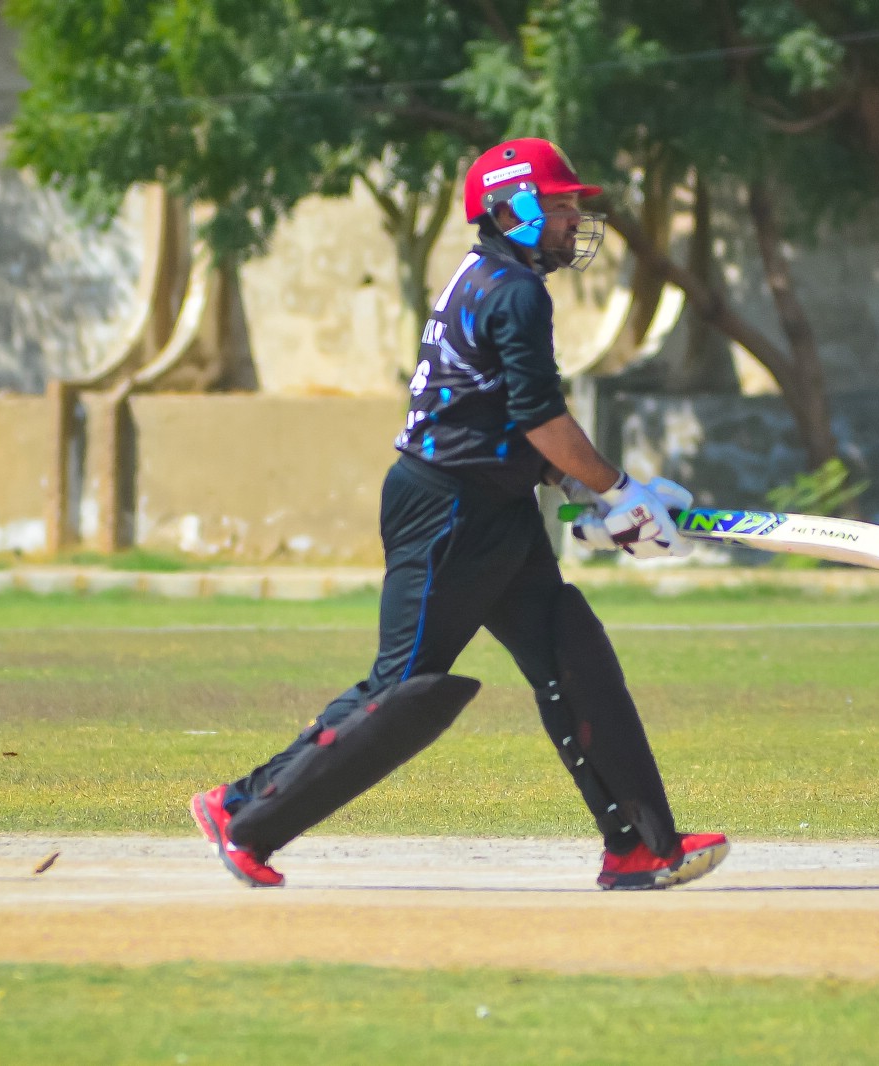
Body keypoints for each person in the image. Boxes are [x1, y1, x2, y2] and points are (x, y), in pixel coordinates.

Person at [190, 137, 728, 891]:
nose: (575, 220)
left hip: (495, 504)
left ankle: (640, 845)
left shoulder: (487, 277)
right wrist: (618, 489)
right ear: (512, 211)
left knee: (570, 651)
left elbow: (501, 416)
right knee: (400, 692)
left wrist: (586, 492)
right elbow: (540, 418)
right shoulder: (514, 292)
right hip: (447, 510)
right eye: (561, 205)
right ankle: (242, 812)